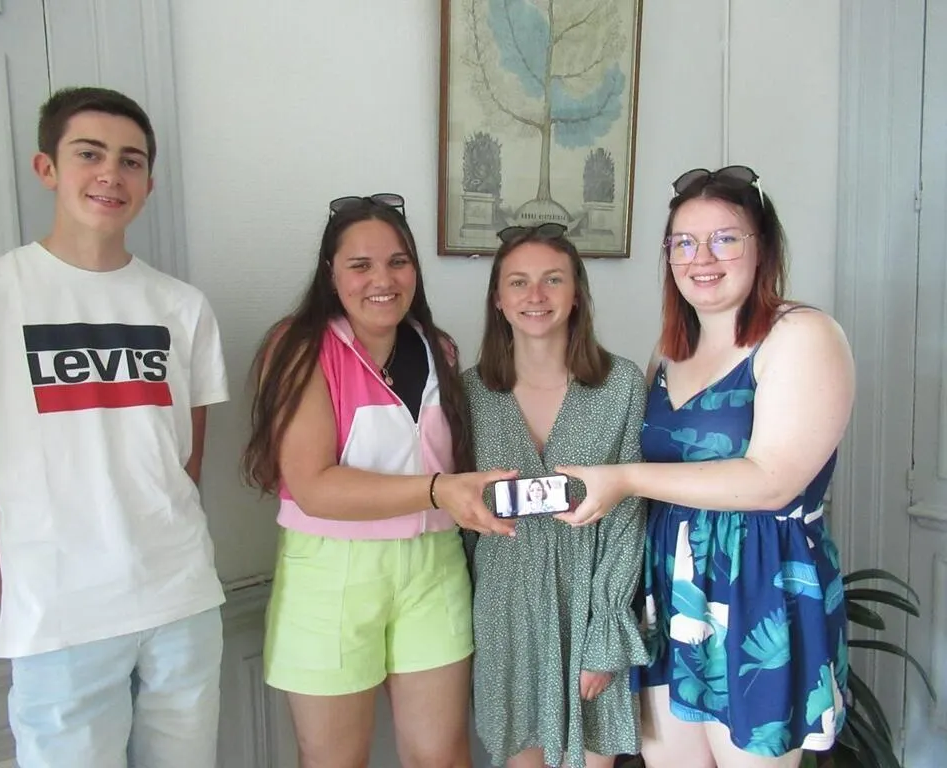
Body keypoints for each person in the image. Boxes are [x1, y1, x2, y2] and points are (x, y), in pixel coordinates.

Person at [0, 87, 229, 767]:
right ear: (48, 168)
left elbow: (183, 465)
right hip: (59, 624)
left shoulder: (183, 308)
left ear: (148, 182)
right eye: (89, 154)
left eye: (131, 161)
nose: (110, 174)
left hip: (181, 604)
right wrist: (26, 601)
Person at [558, 166, 854, 767]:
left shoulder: (802, 335)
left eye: (725, 239)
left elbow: (772, 481)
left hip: (760, 585)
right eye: (684, 243)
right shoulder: (669, 351)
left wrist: (623, 480)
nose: (702, 259)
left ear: (762, 247)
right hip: (671, 588)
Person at [241, 194, 515, 768]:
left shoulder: (437, 348)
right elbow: (313, 485)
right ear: (331, 273)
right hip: (331, 573)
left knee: (442, 756)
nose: (382, 280)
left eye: (398, 262)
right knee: (336, 760)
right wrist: (438, 490)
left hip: (434, 567)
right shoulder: (300, 348)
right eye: (360, 265)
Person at [463, 223, 649, 768]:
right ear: (498, 299)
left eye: (553, 279)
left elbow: (628, 515)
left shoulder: (620, 385)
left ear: (577, 294)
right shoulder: (468, 393)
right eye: (518, 282)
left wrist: (606, 631)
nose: (536, 295)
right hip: (504, 610)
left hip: (589, 603)